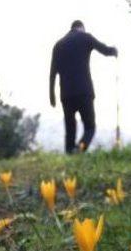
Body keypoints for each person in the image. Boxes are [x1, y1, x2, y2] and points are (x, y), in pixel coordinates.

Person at [49, 20, 118, 154]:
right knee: (90, 127)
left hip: (66, 94)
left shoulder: (58, 45)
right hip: (84, 91)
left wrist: (52, 95)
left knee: (70, 129)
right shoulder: (85, 37)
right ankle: (80, 149)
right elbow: (105, 50)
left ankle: (70, 153)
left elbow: (52, 73)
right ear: (82, 28)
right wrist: (114, 51)